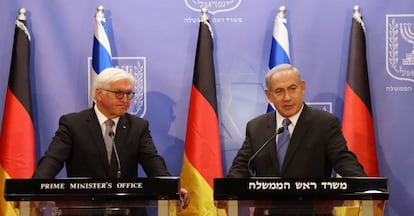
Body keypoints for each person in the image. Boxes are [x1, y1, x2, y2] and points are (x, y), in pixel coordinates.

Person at [32, 67, 189, 214]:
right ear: (99, 94)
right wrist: (32, 189)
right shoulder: (73, 124)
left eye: (129, 94)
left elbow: (152, 162)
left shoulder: (138, 126)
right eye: (119, 93)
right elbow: (53, 160)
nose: (125, 100)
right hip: (84, 211)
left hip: (127, 210)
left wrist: (171, 187)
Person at [227, 64, 366, 215]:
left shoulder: (324, 123)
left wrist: (366, 187)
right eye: (279, 91)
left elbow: (344, 162)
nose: (287, 97)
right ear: (269, 95)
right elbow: (240, 169)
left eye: (292, 89)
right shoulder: (256, 127)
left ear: (302, 87)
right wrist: (228, 190)